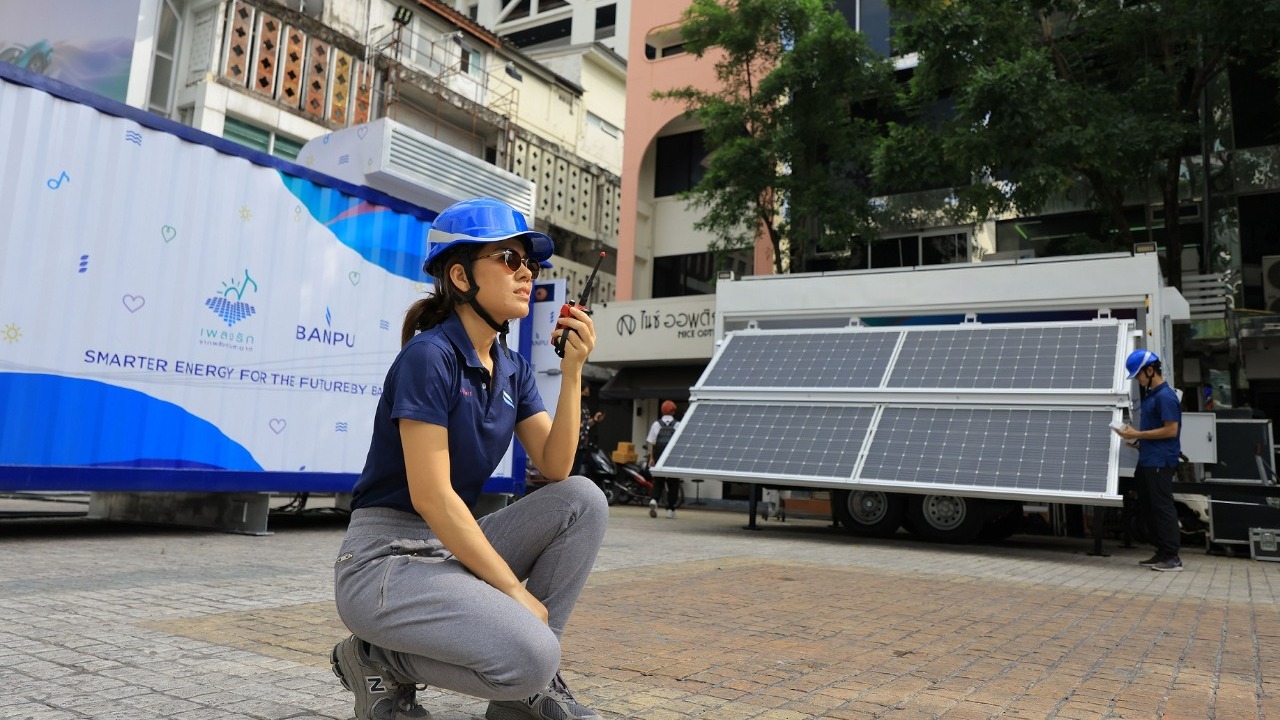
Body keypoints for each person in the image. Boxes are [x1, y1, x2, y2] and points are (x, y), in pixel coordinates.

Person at [331, 197, 608, 720]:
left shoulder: (512, 368)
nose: (526, 272)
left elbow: (556, 468)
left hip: (448, 551)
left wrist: (572, 372)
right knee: (534, 653)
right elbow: (433, 497)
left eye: (530, 263)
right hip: (384, 562)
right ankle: (376, 657)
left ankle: (522, 691)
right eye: (509, 259)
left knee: (582, 500)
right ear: (460, 276)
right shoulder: (429, 358)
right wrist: (512, 591)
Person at [1115, 349, 1183, 572]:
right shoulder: (1152, 395)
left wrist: (1138, 434)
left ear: (1151, 370)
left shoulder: (1165, 396)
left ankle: (1172, 556)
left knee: (1162, 507)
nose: (1138, 380)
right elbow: (1156, 429)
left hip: (1160, 462)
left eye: (1138, 375)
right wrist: (1138, 441)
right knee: (1149, 507)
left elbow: (1171, 430)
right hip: (1147, 459)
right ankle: (1162, 551)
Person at [646, 400, 681, 519]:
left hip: (658, 456)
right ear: (673, 411)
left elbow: (652, 442)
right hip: (672, 457)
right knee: (673, 483)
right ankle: (670, 509)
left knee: (658, 480)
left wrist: (652, 458)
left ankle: (654, 500)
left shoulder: (656, 424)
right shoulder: (677, 424)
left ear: (662, 411)